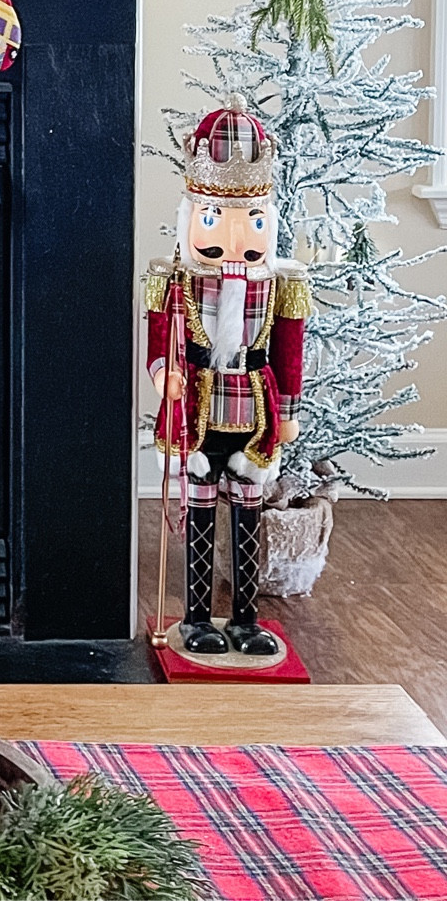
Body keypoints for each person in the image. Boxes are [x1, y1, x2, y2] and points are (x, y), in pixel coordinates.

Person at [145, 100, 310, 659]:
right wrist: (165, 374)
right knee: (199, 514)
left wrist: (289, 412)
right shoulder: (177, 280)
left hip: (254, 416)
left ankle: (244, 617)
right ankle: (196, 617)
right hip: (196, 417)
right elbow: (160, 340)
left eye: (253, 221)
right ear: (193, 215)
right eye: (215, 219)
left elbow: (289, 352)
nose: (234, 238)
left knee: (246, 513)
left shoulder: (279, 284)